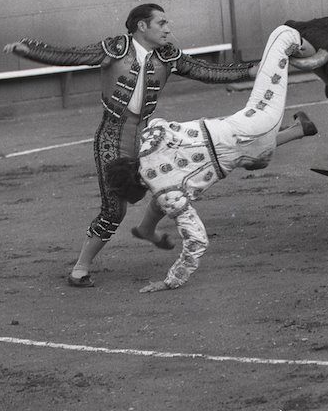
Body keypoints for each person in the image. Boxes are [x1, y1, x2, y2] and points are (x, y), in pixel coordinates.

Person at [3, 3, 256, 287]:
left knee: (167, 185)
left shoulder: (167, 54)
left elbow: (207, 71)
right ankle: (80, 268)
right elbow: (72, 55)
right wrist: (30, 50)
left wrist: (251, 71)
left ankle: (146, 229)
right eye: (162, 23)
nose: (168, 29)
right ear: (142, 26)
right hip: (112, 138)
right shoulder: (115, 49)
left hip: (147, 140)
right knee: (115, 210)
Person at [106, 25, 317, 292]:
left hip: (254, 141)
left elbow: (197, 241)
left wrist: (171, 281)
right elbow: (157, 124)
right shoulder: (151, 137)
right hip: (250, 128)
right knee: (282, 34)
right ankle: (314, 59)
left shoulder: (167, 195)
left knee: (252, 158)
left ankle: (305, 112)